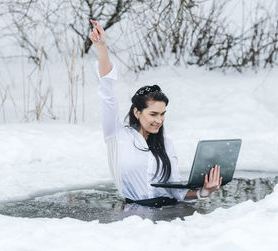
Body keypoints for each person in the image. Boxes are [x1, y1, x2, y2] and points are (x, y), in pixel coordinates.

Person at [89, 20, 221, 207]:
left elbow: (177, 193)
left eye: (163, 114)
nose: (159, 120)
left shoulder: (166, 144)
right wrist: (102, 48)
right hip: (135, 216)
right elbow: (108, 94)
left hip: (171, 213)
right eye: (153, 114)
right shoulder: (117, 136)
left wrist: (204, 191)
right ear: (137, 112)